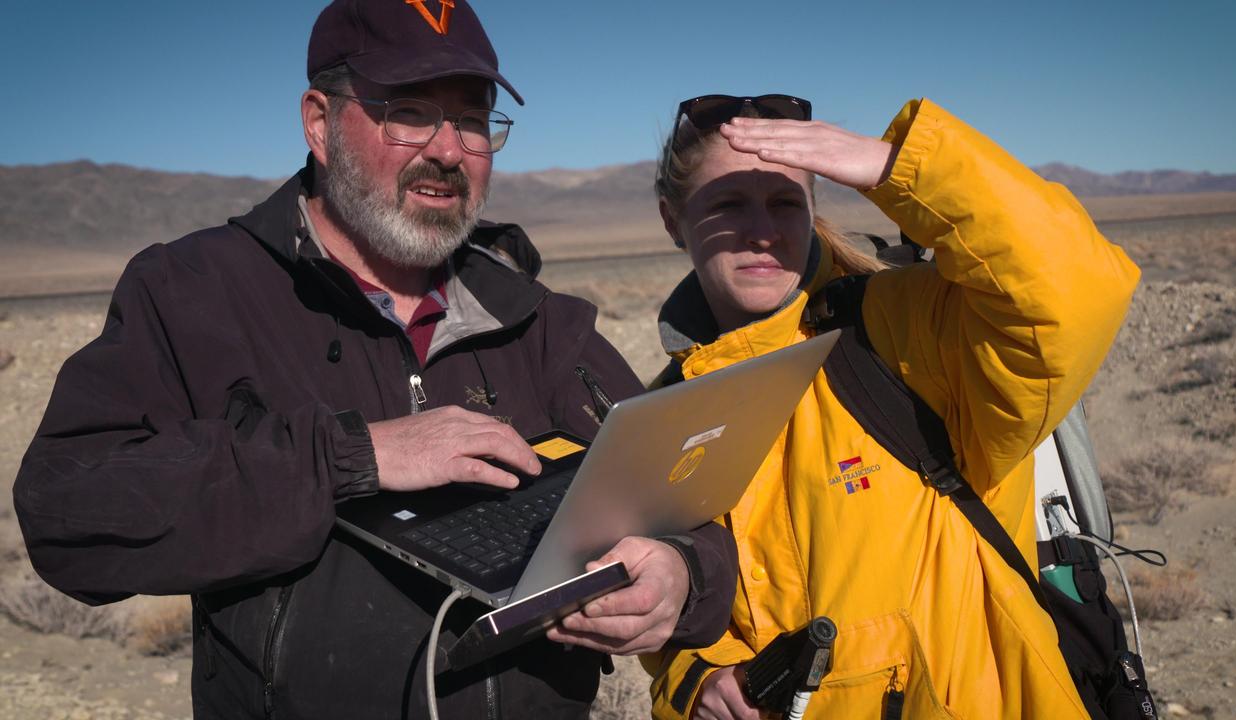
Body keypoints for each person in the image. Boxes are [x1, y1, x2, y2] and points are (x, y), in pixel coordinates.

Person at [12, 2, 736, 718]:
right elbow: (68, 515)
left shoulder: (535, 319)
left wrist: (681, 576)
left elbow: (684, 502)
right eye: (410, 111)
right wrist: (351, 456)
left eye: (474, 119)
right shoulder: (196, 293)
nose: (449, 150)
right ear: (320, 124)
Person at [640, 94, 1141, 718]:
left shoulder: (902, 332)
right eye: (728, 203)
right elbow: (676, 600)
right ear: (671, 219)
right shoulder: (667, 410)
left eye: (786, 203)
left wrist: (900, 167)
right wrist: (698, 681)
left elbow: (1077, 287)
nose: (763, 230)